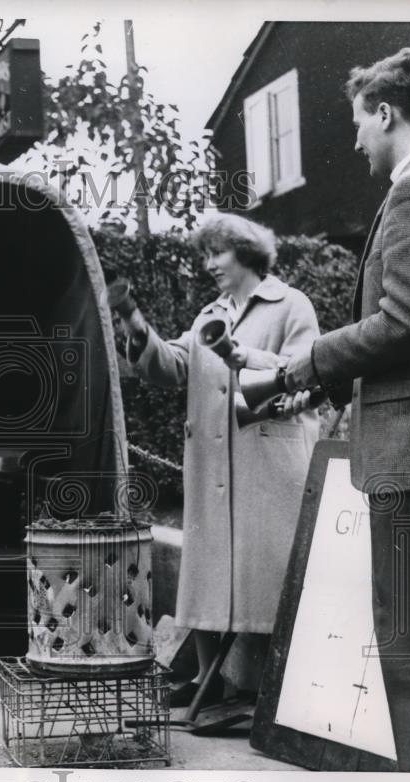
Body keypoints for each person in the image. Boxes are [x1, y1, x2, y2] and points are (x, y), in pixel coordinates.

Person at [281, 47, 410, 772]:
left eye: (359, 123)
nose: (356, 140)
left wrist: (312, 359)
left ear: (387, 112)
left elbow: (406, 321)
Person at [120, 213, 319, 707]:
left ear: (246, 253)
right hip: (211, 464)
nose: (208, 264)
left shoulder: (291, 305)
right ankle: (211, 682)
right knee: (208, 573)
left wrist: (244, 356)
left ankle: (271, 694)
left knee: (266, 574)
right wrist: (139, 331)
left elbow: (309, 371)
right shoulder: (211, 311)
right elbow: (176, 368)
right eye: (204, 255)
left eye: (217, 253)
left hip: (268, 465)